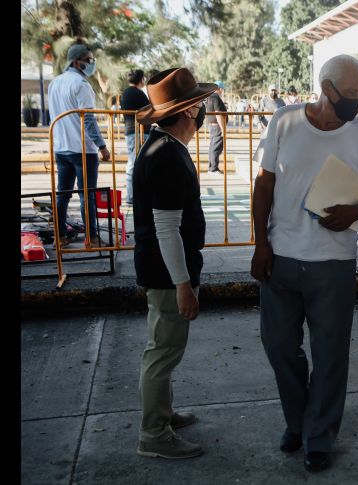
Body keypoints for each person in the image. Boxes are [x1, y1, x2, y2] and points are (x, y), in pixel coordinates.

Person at [250, 54, 358, 473]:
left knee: (330, 355)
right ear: (326, 89)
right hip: (282, 257)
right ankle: (299, 420)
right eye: (351, 93)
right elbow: (264, 183)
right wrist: (260, 244)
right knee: (279, 348)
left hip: (334, 263)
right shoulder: (286, 122)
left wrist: (354, 213)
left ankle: (319, 436)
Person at [132, 67, 217, 459]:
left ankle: (163, 416)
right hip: (167, 272)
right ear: (188, 112)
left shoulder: (161, 147)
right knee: (163, 352)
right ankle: (154, 435)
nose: (201, 112)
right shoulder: (166, 155)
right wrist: (183, 284)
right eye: (198, 105)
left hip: (164, 268)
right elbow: (167, 229)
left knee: (163, 348)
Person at [48, 42, 111, 247]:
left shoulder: (54, 83)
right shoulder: (81, 85)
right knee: (87, 196)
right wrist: (102, 146)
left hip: (61, 148)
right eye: (89, 60)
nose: (92, 64)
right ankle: (91, 238)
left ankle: (60, 237)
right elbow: (89, 119)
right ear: (77, 62)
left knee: (62, 195)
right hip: (82, 149)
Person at [120, 69, 150, 204]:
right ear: (141, 80)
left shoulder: (125, 94)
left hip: (131, 131)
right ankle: (132, 195)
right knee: (135, 162)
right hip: (139, 131)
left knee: (134, 161)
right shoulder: (138, 94)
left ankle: (133, 194)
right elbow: (149, 109)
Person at [204, 81, 227, 173]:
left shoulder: (209, 96)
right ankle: (213, 168)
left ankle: (212, 167)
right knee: (216, 147)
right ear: (220, 89)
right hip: (217, 126)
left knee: (213, 146)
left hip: (212, 125)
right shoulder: (216, 97)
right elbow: (218, 114)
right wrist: (223, 129)